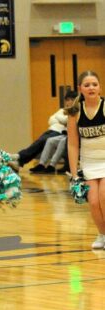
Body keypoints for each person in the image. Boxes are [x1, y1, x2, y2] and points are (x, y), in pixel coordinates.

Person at [65, 71, 105, 250]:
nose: (91, 88)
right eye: (87, 85)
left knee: (104, 196)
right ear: (80, 89)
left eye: (94, 84)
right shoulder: (74, 112)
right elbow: (73, 144)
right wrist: (74, 175)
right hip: (89, 162)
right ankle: (102, 234)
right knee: (94, 201)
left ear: (100, 87)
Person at [12, 91, 76, 170]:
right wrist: (60, 121)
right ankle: (20, 161)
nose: (69, 102)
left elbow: (65, 120)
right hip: (51, 130)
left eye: (71, 100)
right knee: (38, 143)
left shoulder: (74, 111)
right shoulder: (62, 110)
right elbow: (51, 120)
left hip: (60, 133)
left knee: (42, 142)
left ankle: (20, 157)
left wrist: (59, 119)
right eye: (67, 99)